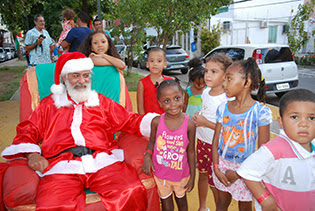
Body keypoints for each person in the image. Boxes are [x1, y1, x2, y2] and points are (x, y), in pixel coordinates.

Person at [1, 52, 155, 210]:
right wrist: (32, 154)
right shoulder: (49, 105)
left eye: (86, 75)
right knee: (52, 205)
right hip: (62, 164)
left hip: (102, 161)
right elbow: (27, 130)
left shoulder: (100, 101)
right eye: (75, 75)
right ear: (64, 78)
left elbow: (129, 120)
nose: (82, 81)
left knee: (131, 190)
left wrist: (158, 122)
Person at [237, 89, 315, 211]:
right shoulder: (274, 149)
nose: (304, 124)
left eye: (312, 118)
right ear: (281, 122)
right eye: (295, 117)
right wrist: (265, 199)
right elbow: (247, 171)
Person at [212, 57, 272, 211]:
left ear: (247, 81)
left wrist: (239, 173)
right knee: (221, 204)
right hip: (223, 166)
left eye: (229, 78)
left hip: (246, 170)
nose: (224, 83)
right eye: (224, 79)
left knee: (245, 208)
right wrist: (217, 168)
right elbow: (216, 140)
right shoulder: (222, 108)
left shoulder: (261, 112)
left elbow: (263, 152)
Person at [142, 79, 196, 211]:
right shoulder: (156, 122)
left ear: (183, 97)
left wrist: (193, 177)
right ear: (160, 103)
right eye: (167, 101)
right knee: (166, 204)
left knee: (182, 203)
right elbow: (152, 141)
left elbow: (191, 152)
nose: (173, 104)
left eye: (177, 98)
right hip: (161, 174)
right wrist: (147, 156)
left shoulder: (189, 124)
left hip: (181, 175)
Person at [191, 54, 233, 211]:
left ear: (225, 76)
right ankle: (202, 207)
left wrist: (205, 123)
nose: (207, 75)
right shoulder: (206, 92)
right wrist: (197, 117)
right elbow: (205, 112)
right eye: (206, 70)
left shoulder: (227, 99)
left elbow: (227, 129)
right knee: (202, 175)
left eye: (214, 72)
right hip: (201, 141)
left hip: (215, 146)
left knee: (215, 183)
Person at [137, 47, 173, 115]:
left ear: (164, 64)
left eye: (159, 61)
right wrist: (145, 122)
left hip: (167, 121)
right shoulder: (142, 83)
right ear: (147, 64)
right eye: (152, 61)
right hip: (149, 122)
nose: (155, 64)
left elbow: (174, 104)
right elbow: (140, 108)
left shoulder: (170, 82)